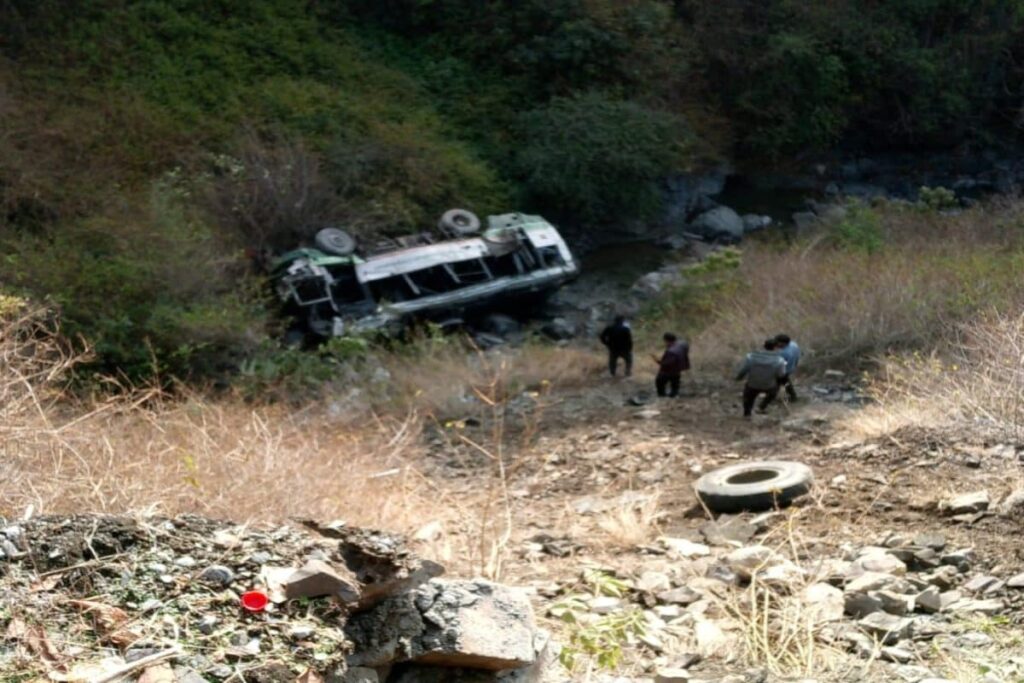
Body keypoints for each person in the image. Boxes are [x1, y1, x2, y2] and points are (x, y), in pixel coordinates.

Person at [736, 338, 788, 417]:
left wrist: (738, 378)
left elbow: (744, 370)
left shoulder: (751, 357)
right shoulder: (779, 361)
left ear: (764, 346)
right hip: (769, 386)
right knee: (774, 391)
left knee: (748, 396)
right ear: (775, 348)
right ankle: (762, 406)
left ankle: (747, 413)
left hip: (752, 384)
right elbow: (781, 375)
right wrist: (783, 384)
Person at [652, 332, 690, 397]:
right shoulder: (682, 344)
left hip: (668, 371)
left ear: (667, 340)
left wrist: (656, 360)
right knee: (675, 383)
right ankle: (674, 394)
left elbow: (666, 364)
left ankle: (662, 395)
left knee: (659, 382)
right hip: (678, 369)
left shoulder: (671, 352)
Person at [775, 333, 801, 401]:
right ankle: (793, 397)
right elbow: (798, 355)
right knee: (785, 382)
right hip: (791, 367)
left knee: (778, 382)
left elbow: (780, 363)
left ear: (782, 343)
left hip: (784, 369)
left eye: (777, 342)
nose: (776, 344)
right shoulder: (793, 344)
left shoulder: (784, 353)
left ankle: (771, 396)